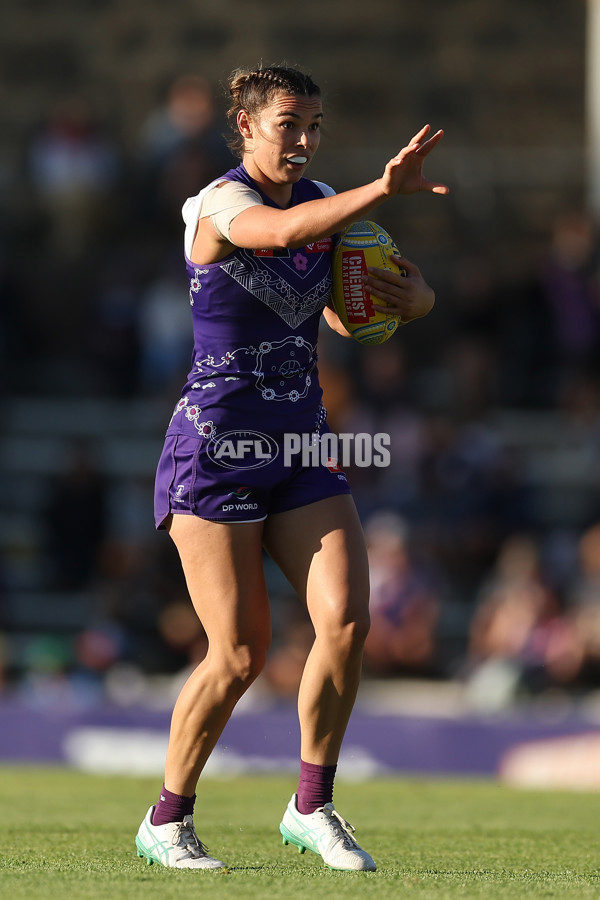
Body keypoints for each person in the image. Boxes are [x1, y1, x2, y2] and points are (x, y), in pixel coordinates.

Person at [135, 63, 447, 873]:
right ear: (246, 127)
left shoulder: (323, 204)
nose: (305, 141)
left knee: (346, 621)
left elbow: (351, 315)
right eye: (288, 126)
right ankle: (166, 819)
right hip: (216, 445)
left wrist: (409, 300)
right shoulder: (219, 205)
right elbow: (275, 241)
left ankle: (312, 804)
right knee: (238, 652)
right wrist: (380, 192)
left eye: (314, 125)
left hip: (303, 443)